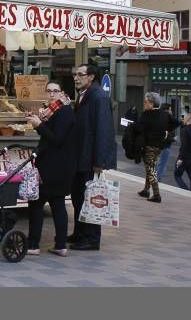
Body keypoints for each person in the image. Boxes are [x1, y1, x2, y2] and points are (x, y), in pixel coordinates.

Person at [25, 81, 77, 257]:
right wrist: (39, 123)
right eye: (49, 91)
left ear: (61, 93)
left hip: (52, 166)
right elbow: (50, 135)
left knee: (36, 204)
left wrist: (39, 125)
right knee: (57, 204)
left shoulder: (63, 112)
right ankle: (60, 245)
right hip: (60, 166)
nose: (52, 94)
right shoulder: (52, 111)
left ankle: (33, 244)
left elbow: (56, 139)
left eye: (55, 91)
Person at [68, 64, 116, 251]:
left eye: (80, 74)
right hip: (80, 156)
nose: (76, 78)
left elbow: (104, 130)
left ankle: (92, 238)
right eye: (75, 74)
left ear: (91, 77)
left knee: (91, 198)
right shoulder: (85, 95)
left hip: (90, 159)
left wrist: (99, 162)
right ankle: (79, 233)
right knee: (78, 197)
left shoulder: (98, 97)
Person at [135, 92, 168, 203]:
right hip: (158, 146)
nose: (144, 104)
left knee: (151, 169)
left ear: (151, 103)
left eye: (146, 102)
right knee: (150, 167)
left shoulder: (147, 115)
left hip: (149, 146)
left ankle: (157, 194)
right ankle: (146, 190)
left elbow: (139, 128)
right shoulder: (163, 114)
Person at [174, 113, 191, 192]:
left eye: (184, 118)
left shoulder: (184, 130)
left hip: (185, 158)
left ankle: (186, 191)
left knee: (177, 175)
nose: (183, 120)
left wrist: (180, 158)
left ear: (187, 119)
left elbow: (184, 146)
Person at [155, 103, 180, 180]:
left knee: (161, 162)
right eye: (170, 109)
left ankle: (156, 177)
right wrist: (173, 139)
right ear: (167, 110)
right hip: (164, 145)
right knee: (162, 163)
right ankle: (157, 178)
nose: (171, 111)